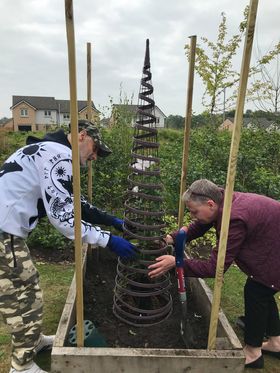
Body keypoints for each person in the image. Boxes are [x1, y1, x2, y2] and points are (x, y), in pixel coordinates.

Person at [0, 120, 136, 373]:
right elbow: (64, 218)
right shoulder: (60, 156)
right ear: (81, 135)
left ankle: (33, 340)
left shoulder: (48, 150)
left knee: (26, 286)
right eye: (95, 149)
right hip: (3, 235)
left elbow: (75, 201)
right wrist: (108, 239)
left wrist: (110, 220)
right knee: (22, 296)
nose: (94, 157)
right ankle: (22, 366)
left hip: (6, 232)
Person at [148, 179, 280, 369]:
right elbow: (201, 223)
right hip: (273, 239)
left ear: (210, 203)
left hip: (275, 250)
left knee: (258, 290)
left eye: (194, 212)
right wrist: (172, 238)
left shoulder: (234, 218)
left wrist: (177, 263)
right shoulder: (220, 199)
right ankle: (276, 343)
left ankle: (253, 353)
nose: (193, 216)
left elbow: (214, 268)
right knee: (264, 288)